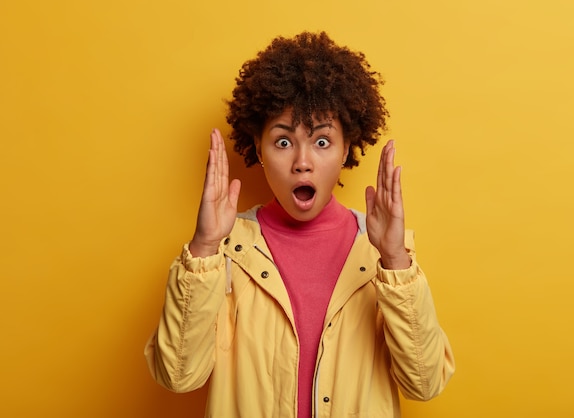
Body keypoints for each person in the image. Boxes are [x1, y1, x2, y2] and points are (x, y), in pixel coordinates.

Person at [145, 31, 455, 418]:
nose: (302, 162)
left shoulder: (381, 254)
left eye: (322, 142)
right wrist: (205, 247)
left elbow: (424, 385)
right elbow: (178, 377)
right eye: (283, 142)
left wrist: (394, 260)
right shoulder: (223, 251)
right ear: (258, 149)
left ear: (347, 149)